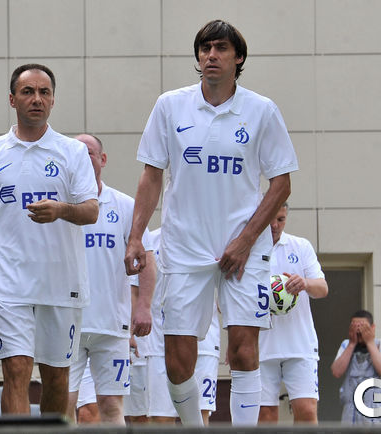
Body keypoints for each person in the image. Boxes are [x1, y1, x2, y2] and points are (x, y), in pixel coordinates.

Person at [124, 19, 298, 426]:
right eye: (205, 49)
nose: (211, 56)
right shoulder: (170, 106)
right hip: (185, 246)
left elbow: (282, 184)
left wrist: (246, 240)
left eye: (221, 48)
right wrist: (136, 237)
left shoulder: (262, 110)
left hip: (244, 249)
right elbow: (151, 175)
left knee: (243, 351)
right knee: (176, 361)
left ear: (239, 58)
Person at [0, 64, 99, 416]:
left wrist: (61, 210)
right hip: (9, 283)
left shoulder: (72, 151)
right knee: (16, 370)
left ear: (53, 100)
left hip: (61, 283)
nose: (36, 99)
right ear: (12, 100)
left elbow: (91, 211)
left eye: (44, 92)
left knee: (56, 378)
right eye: (27, 92)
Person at [65, 134, 153, 425]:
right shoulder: (59, 206)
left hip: (112, 326)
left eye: (89, 152)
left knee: (112, 405)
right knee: (63, 403)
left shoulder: (125, 206)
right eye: (77, 153)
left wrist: (143, 306)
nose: (83, 158)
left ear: (103, 159)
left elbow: (146, 259)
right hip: (67, 324)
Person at [258, 203, 328, 424]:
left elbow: (322, 288)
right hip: (262, 345)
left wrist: (305, 283)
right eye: (270, 219)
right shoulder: (249, 248)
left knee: (307, 411)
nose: (274, 225)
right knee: (265, 415)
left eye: (280, 219)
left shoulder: (301, 246)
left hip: (300, 344)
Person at [145, 229, 221, 425]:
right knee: (161, 418)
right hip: (160, 341)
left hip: (204, 341)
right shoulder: (151, 240)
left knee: (200, 415)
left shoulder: (211, 236)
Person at [331, 310, 381, 425]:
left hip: (376, 411)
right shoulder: (346, 345)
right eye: (355, 327)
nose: (359, 331)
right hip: (351, 411)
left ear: (372, 327)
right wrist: (352, 344)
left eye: (363, 327)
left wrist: (370, 343)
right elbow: (336, 371)